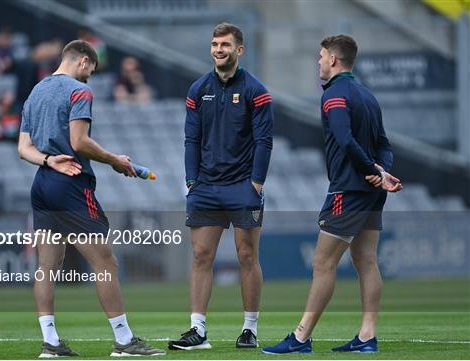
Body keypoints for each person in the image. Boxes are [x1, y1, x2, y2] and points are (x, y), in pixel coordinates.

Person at [18, 39, 165, 358]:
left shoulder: (36, 91)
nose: (89, 79)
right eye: (91, 72)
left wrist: (47, 160)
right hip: (70, 184)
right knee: (105, 262)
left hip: (42, 182)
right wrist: (114, 159)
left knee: (47, 266)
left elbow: (23, 148)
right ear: (83, 61)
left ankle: (50, 343)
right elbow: (79, 142)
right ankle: (124, 341)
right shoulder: (79, 90)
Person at [262, 34, 403, 355]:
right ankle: (367, 336)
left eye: (321, 56)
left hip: (347, 190)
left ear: (334, 60)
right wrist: (381, 171)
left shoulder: (335, 95)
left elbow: (344, 139)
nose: (319, 61)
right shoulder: (367, 96)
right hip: (370, 191)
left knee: (322, 263)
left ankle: (300, 338)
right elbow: (385, 144)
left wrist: (372, 168)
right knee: (366, 260)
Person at [168, 23, 273, 351]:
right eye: (214, 44)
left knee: (246, 255)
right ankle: (197, 331)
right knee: (200, 255)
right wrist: (191, 180)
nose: (218, 49)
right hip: (206, 187)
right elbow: (191, 139)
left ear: (239, 50)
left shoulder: (257, 91)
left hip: (243, 186)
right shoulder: (198, 90)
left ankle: (249, 329)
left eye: (225, 44)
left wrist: (256, 182)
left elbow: (264, 141)